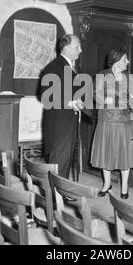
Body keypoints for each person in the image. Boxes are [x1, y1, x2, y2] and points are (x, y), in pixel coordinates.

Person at [90, 48, 133, 199]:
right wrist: (105, 100)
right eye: (125, 59)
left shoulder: (129, 78)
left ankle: (124, 187)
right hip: (106, 120)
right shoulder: (102, 76)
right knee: (106, 153)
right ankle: (106, 184)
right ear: (117, 61)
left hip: (124, 121)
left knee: (124, 155)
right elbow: (96, 96)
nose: (128, 62)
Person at [39, 34, 83, 178]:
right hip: (59, 125)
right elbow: (46, 95)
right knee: (59, 161)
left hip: (67, 122)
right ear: (67, 48)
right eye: (77, 47)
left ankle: (61, 192)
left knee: (64, 161)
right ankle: (55, 196)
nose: (80, 50)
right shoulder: (54, 67)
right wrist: (71, 103)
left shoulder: (69, 66)